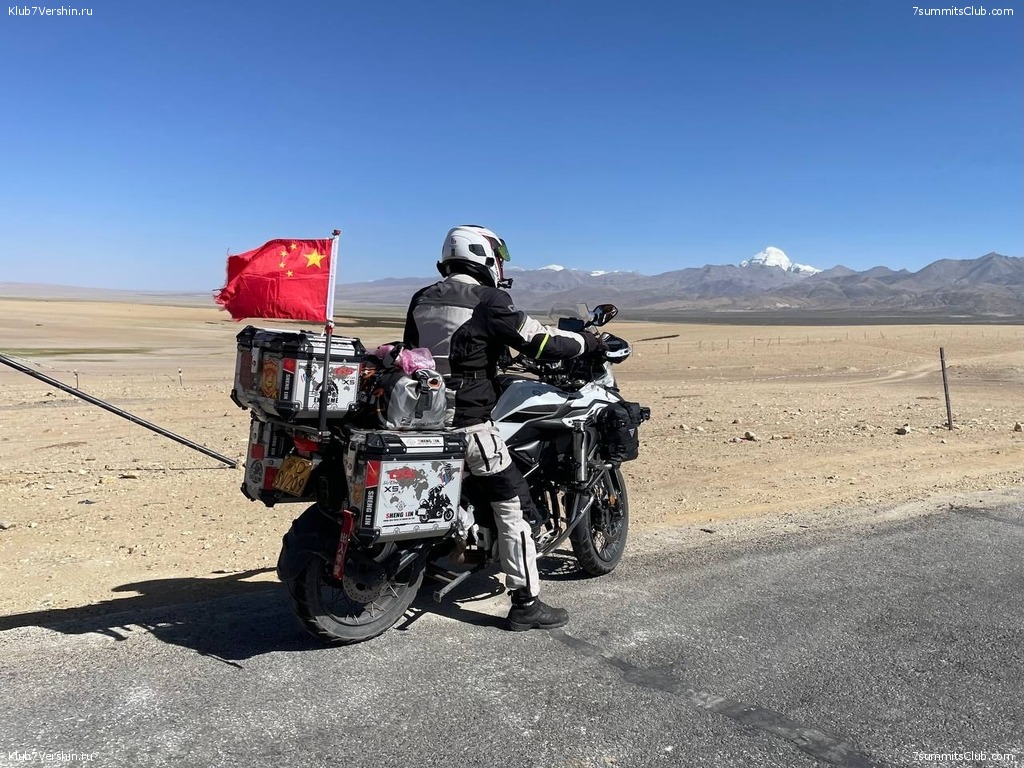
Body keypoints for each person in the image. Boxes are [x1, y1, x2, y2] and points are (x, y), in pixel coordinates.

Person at [403, 224, 606, 631]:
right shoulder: (489, 300)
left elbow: (414, 354)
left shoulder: (422, 298)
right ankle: (526, 603)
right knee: (513, 503)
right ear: (483, 255)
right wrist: (588, 342)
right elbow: (541, 342)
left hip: (419, 417)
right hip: (468, 423)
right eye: (498, 256)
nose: (500, 263)